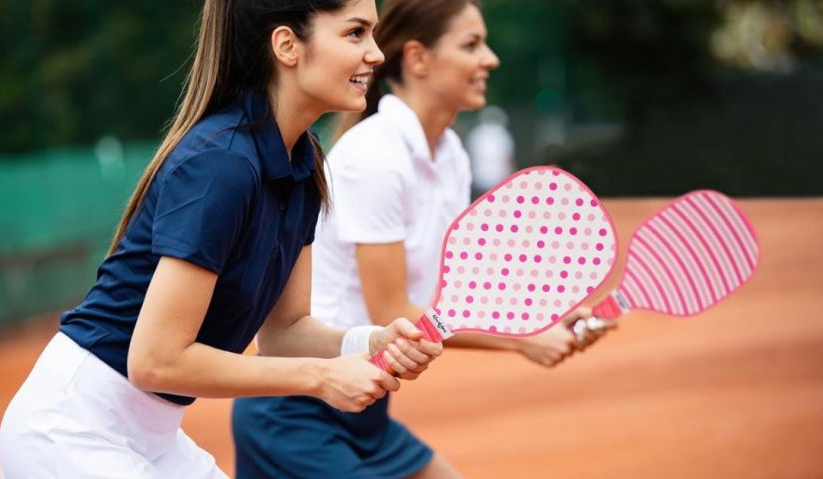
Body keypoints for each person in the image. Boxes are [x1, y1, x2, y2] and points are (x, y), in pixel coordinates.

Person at [0, 1, 444, 477]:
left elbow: (284, 332)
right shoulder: (222, 164)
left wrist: (371, 340)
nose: (376, 53)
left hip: (153, 435)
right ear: (287, 46)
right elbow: (155, 360)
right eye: (355, 33)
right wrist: (322, 376)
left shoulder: (302, 163)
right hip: (70, 431)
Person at [232, 1, 615, 478]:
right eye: (471, 44)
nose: (490, 59)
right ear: (417, 59)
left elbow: (441, 293)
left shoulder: (450, 153)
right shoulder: (376, 156)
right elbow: (391, 310)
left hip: (364, 405)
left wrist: (543, 318)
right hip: (300, 407)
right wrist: (521, 340)